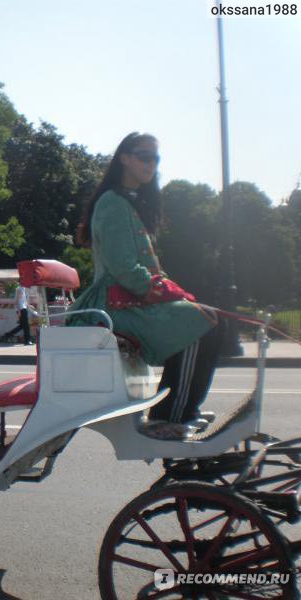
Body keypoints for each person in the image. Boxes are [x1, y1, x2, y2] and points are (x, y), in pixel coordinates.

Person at [68, 132, 224, 440]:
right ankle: (172, 415)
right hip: (112, 303)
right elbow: (123, 267)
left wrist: (169, 289)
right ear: (124, 158)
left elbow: (148, 267)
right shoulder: (112, 202)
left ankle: (181, 409)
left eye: (156, 159)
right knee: (200, 323)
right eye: (144, 156)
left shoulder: (129, 202)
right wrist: (162, 292)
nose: (151, 164)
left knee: (208, 318)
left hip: (131, 298)